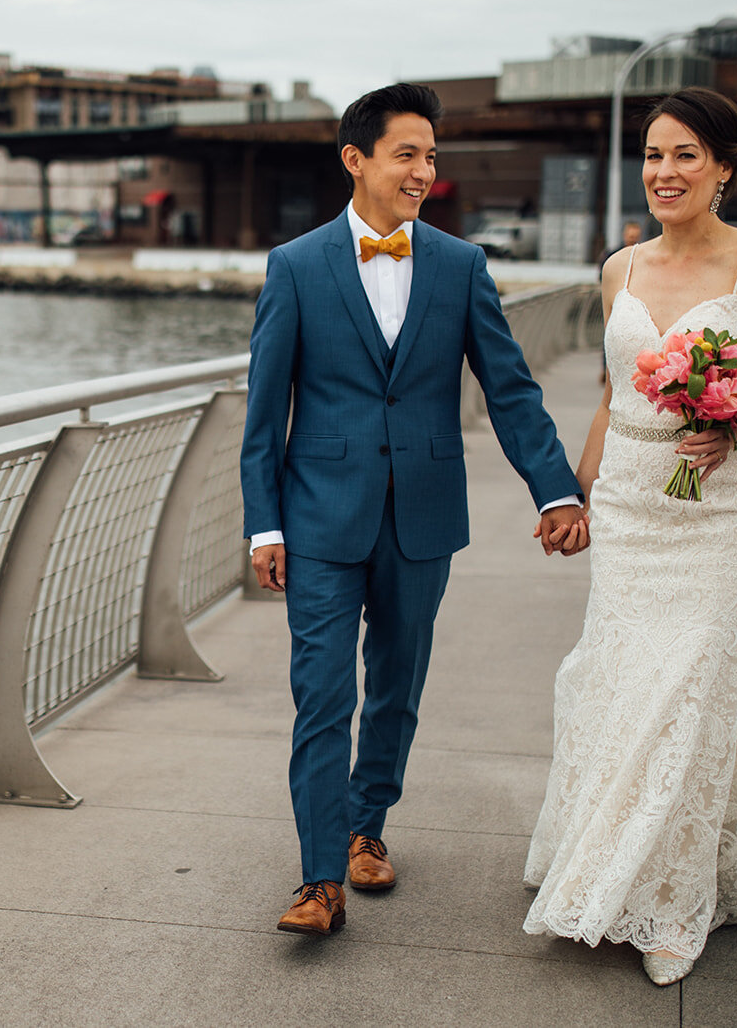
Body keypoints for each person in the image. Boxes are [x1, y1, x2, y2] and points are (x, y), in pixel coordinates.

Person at [240, 83, 588, 936]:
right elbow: (263, 410)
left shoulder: (462, 266)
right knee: (322, 695)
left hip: (424, 517)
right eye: (408, 153)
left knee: (396, 687)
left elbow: (509, 390)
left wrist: (556, 487)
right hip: (319, 515)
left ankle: (367, 827)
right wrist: (265, 522)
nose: (425, 171)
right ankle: (320, 878)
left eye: (432, 156)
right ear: (355, 160)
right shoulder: (294, 265)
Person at [521, 87, 737, 986]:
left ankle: (674, 903)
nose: (665, 172)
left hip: (722, 517)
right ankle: (611, 855)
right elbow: (614, 399)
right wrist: (568, 498)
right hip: (631, 509)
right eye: (654, 155)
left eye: (686, 154)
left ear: (725, 166)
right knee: (623, 681)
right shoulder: (619, 269)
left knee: (692, 691)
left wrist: (735, 422)